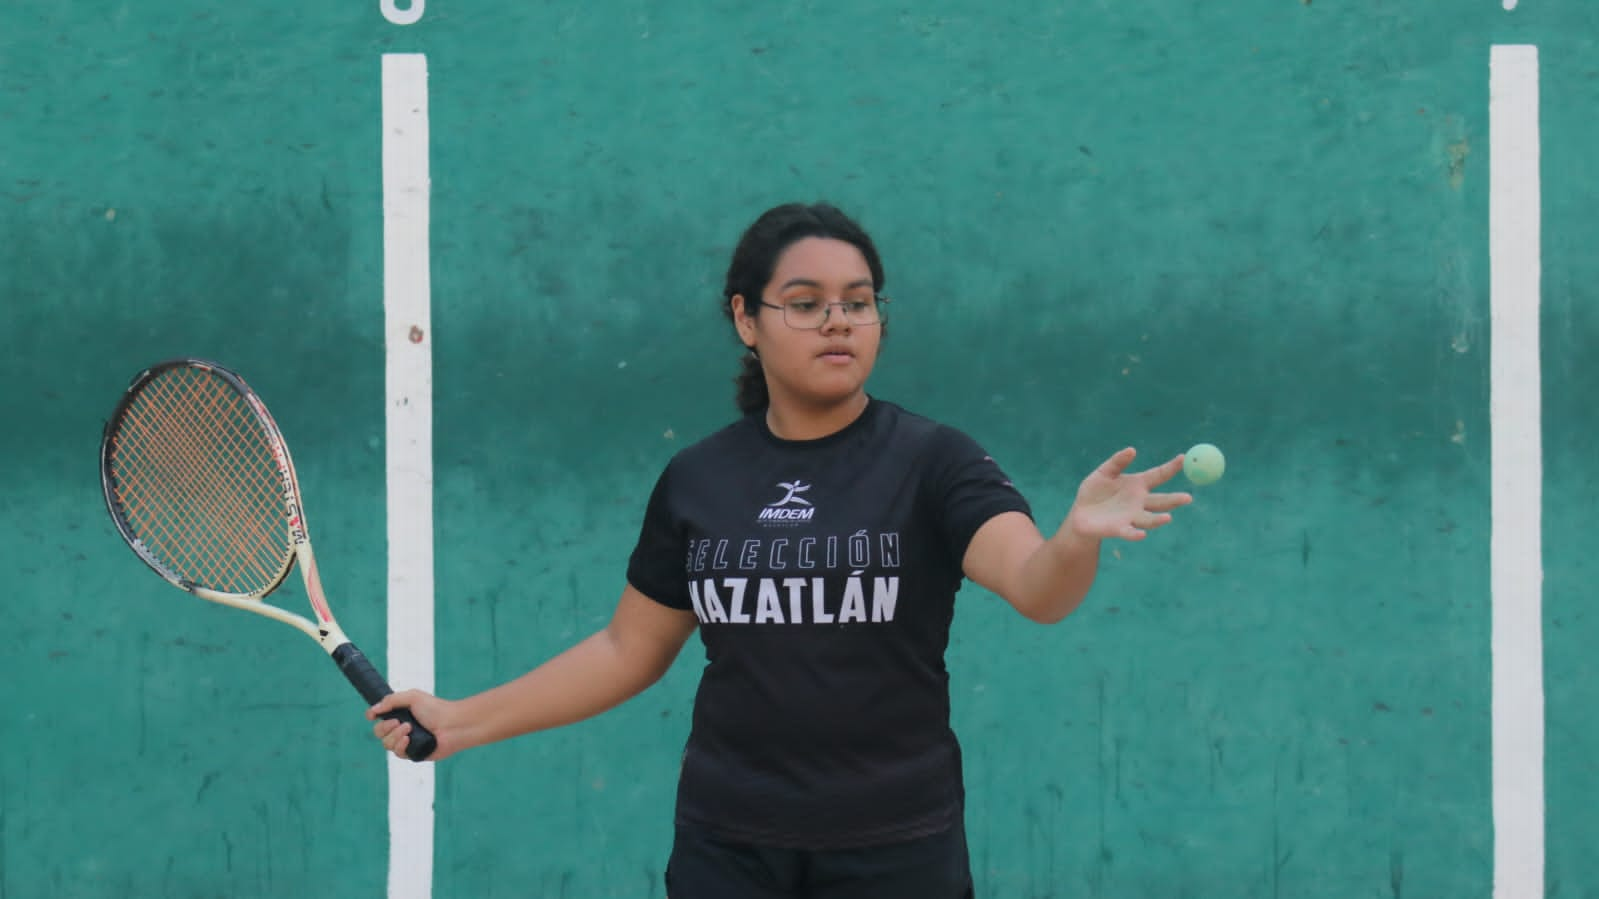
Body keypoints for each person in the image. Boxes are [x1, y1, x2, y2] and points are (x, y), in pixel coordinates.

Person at [369, 201, 1193, 898]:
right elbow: (628, 648)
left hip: (897, 846)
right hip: (728, 847)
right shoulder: (698, 478)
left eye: (858, 300)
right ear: (745, 319)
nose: (837, 318)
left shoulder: (935, 462)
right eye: (804, 301)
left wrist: (1074, 539)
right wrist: (460, 722)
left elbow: (1035, 585)